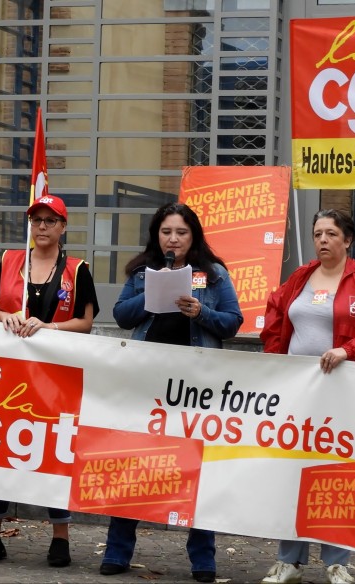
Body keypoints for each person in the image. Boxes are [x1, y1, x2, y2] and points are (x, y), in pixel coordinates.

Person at [100, 202, 243, 583]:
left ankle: (203, 559)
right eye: (166, 232)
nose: (174, 239)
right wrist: (152, 293)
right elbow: (121, 315)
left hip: (195, 387)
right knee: (133, 465)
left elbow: (232, 322)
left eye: (181, 232)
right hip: (146, 383)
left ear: (193, 236)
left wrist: (201, 313)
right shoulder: (142, 273)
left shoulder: (214, 274)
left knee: (198, 469)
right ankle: (117, 551)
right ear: (156, 236)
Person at [259, 209, 355, 584]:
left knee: (335, 474)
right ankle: (289, 561)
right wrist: (276, 365)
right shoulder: (300, 277)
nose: (323, 240)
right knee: (292, 473)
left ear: (348, 240)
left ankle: (337, 562)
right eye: (318, 233)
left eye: (331, 234)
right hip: (297, 395)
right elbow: (275, 317)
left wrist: (349, 350)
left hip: (341, 396)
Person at [0, 194, 99, 567]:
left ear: (63, 226)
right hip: (9, 374)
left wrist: (50, 327)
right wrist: (5, 317)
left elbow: (86, 322)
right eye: (36, 220)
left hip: (55, 376)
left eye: (50, 220)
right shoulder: (10, 260)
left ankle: (60, 538)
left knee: (54, 452)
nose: (42, 227)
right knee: (0, 449)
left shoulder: (77, 270)